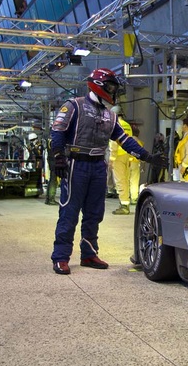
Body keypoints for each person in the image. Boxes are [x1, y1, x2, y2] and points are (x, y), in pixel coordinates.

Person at [49, 68, 157, 275]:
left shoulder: (110, 116)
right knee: (69, 212)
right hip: (76, 164)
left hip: (98, 165)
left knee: (94, 213)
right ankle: (61, 257)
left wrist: (146, 156)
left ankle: (89, 254)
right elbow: (58, 131)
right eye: (110, 87)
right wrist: (58, 157)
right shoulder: (74, 106)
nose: (113, 91)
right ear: (98, 85)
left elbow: (124, 140)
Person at [109, 115, 142, 214]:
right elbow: (130, 140)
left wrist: (111, 158)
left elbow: (114, 142)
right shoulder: (127, 125)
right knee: (126, 180)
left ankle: (124, 206)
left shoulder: (115, 124)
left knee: (120, 180)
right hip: (127, 154)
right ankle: (126, 203)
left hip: (118, 156)